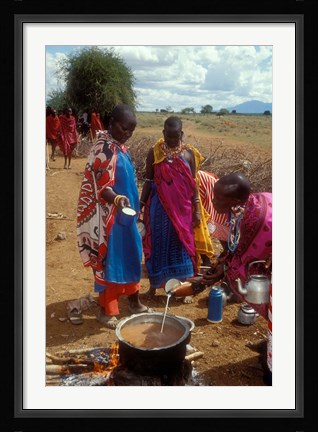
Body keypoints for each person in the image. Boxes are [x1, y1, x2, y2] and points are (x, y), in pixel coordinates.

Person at [77, 103, 152, 329]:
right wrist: (118, 199)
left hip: (125, 217)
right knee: (111, 261)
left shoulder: (119, 147)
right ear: (111, 123)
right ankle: (106, 311)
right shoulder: (104, 149)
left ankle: (134, 301)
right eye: (123, 128)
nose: (127, 134)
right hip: (109, 219)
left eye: (131, 130)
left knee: (132, 255)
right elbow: (102, 188)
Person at [171, 172, 272, 320]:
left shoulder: (254, 220)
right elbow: (234, 247)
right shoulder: (238, 209)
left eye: (218, 198)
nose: (212, 201)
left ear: (234, 200)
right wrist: (219, 265)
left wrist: (202, 284)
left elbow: (242, 262)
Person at [139, 116, 214, 299]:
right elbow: (149, 180)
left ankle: (185, 287)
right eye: (168, 136)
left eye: (175, 136)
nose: (172, 140)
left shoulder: (189, 154)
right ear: (163, 133)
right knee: (156, 245)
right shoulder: (154, 152)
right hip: (159, 208)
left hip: (183, 211)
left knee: (183, 246)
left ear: (181, 134)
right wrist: (141, 205)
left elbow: (194, 183)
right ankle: (154, 286)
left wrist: (197, 208)